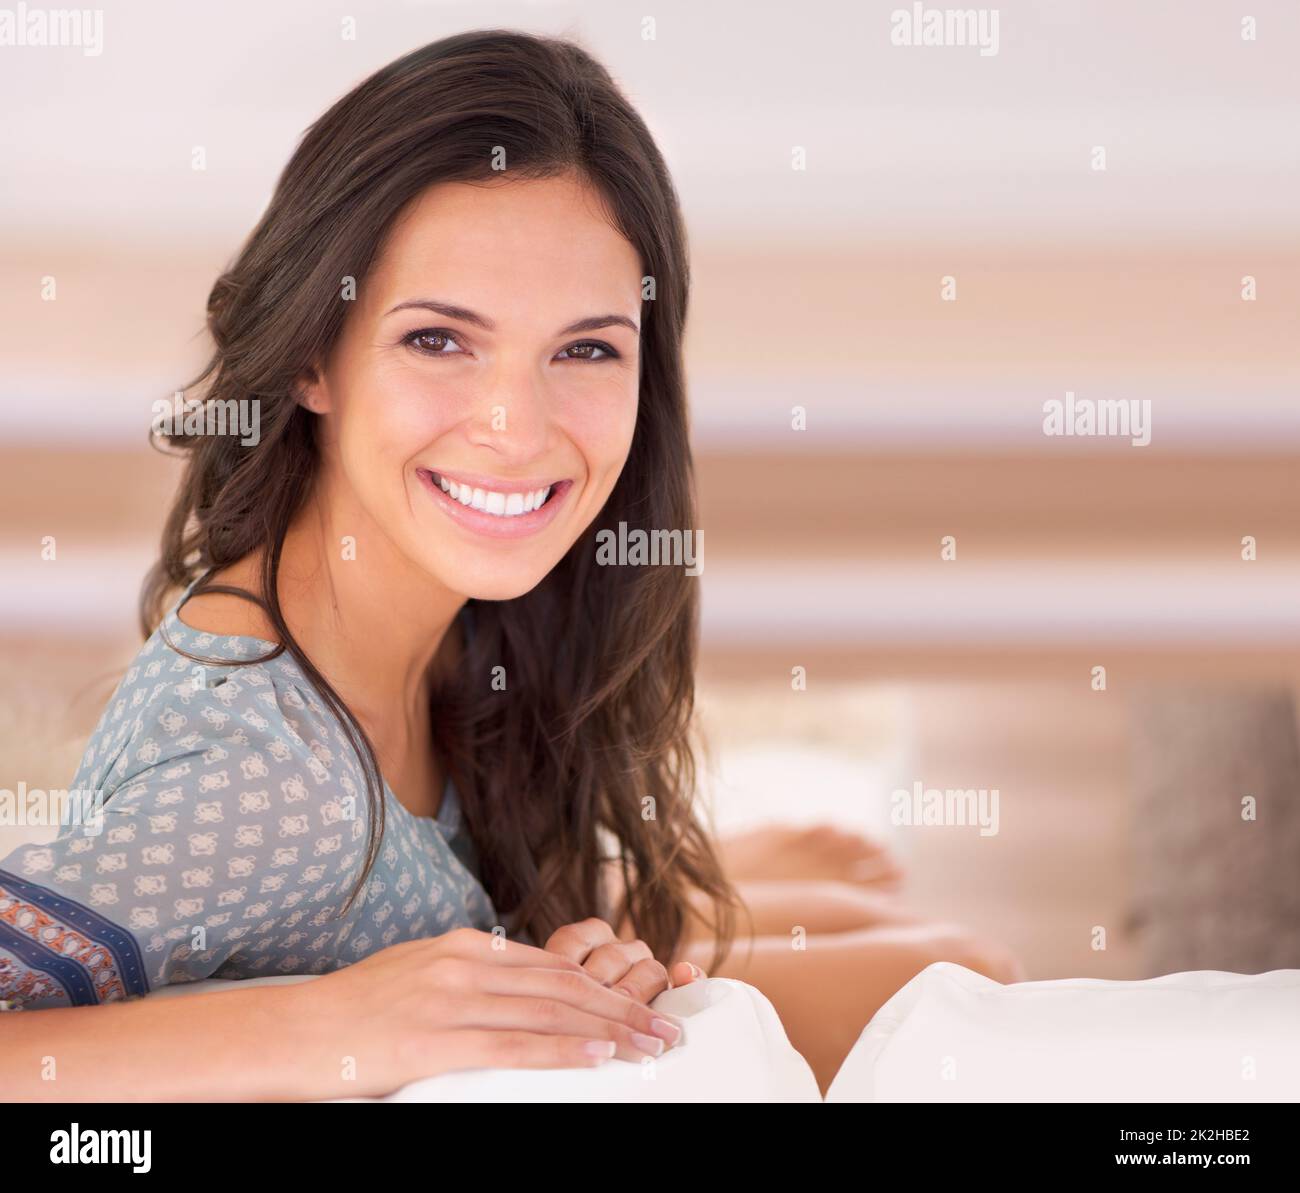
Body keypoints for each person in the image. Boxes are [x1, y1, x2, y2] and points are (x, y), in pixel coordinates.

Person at [0, 29, 1020, 1101]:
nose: (516, 429)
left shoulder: (449, 614)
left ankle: (635, 883)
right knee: (962, 969)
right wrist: (329, 1020)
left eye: (585, 348)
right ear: (311, 355)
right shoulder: (256, 781)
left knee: (885, 917)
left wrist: (569, 931)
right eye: (438, 339)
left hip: (485, 901)